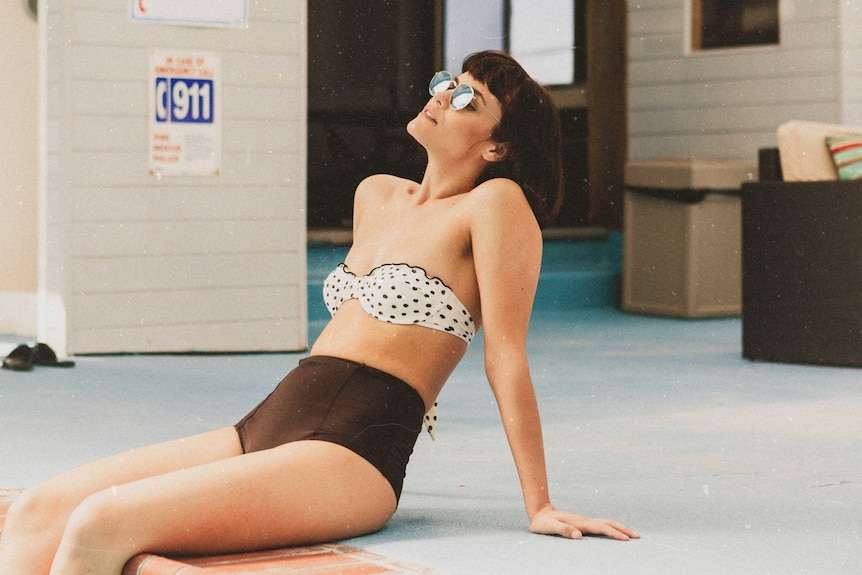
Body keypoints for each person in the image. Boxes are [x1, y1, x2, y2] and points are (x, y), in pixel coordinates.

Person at [0, 50, 638, 574]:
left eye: (471, 99)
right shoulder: (376, 195)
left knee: (98, 524)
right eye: (448, 82)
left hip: (354, 448)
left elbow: (506, 355)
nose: (444, 96)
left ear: (498, 148)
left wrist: (540, 503)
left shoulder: (494, 204)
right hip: (271, 418)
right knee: (38, 510)